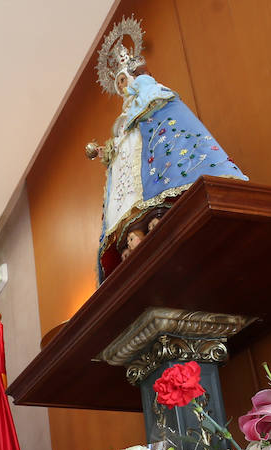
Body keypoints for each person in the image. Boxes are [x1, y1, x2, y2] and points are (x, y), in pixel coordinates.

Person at [86, 18, 247, 279]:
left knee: (161, 165)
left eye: (124, 81)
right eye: (120, 86)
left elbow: (160, 109)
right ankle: (135, 231)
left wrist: (140, 91)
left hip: (151, 153)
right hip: (130, 160)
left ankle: (159, 216)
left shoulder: (149, 93)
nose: (123, 88)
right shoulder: (123, 119)